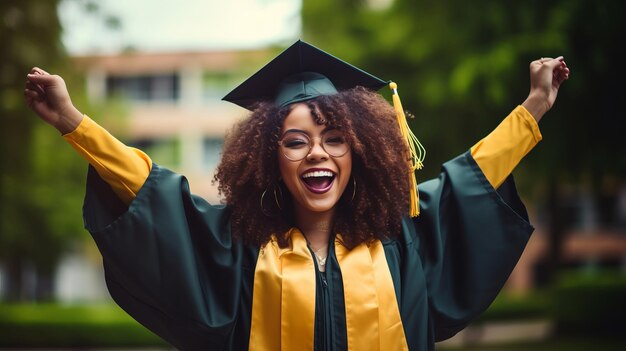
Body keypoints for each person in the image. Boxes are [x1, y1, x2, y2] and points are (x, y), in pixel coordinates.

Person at [24, 40, 569, 351]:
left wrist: (534, 109)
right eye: (296, 142)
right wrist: (74, 121)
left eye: (336, 139)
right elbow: (152, 191)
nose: (317, 154)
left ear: (360, 153)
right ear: (269, 158)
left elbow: (471, 179)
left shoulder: (403, 243)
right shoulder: (237, 249)